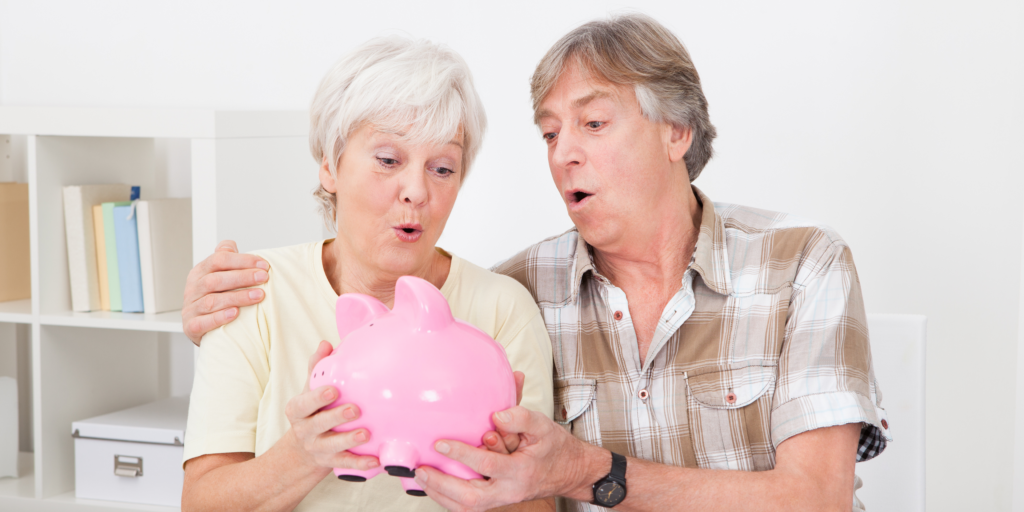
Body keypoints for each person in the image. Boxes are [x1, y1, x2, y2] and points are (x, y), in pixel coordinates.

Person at [183, 14, 890, 512]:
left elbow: (817, 500)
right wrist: (197, 321)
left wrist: (585, 473)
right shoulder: (523, 289)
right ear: (329, 163)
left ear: (677, 131)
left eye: (592, 122)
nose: (563, 152)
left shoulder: (801, 264)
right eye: (550, 132)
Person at [180, 37, 555, 512]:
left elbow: (539, 506)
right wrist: (303, 454)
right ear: (329, 166)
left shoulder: (502, 308)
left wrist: (497, 479)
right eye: (388, 160)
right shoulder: (252, 290)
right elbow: (201, 502)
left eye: (442, 168)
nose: (417, 191)